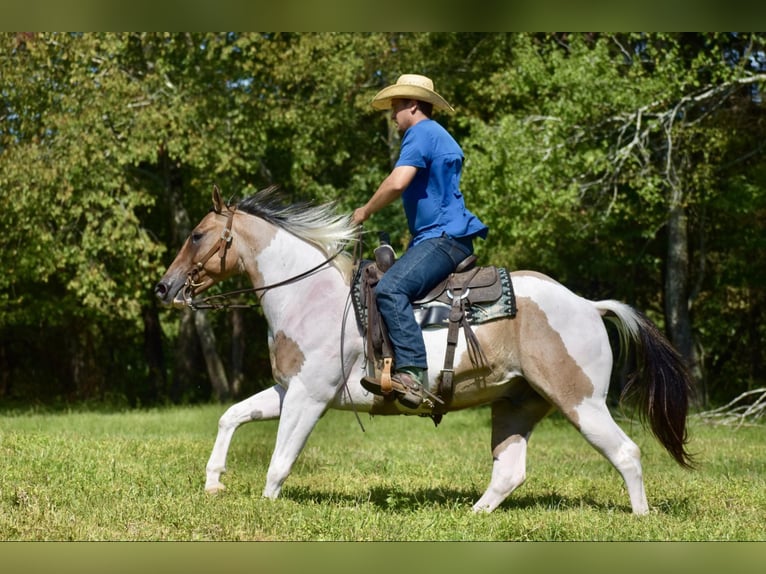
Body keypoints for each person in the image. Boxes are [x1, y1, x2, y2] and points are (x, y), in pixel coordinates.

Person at [353, 74, 488, 408]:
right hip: (444, 236)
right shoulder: (436, 135)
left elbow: (398, 182)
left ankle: (412, 374)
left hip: (443, 238)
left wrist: (364, 211)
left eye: (396, 107)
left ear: (413, 105)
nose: (393, 115)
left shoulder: (420, 133)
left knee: (389, 289)